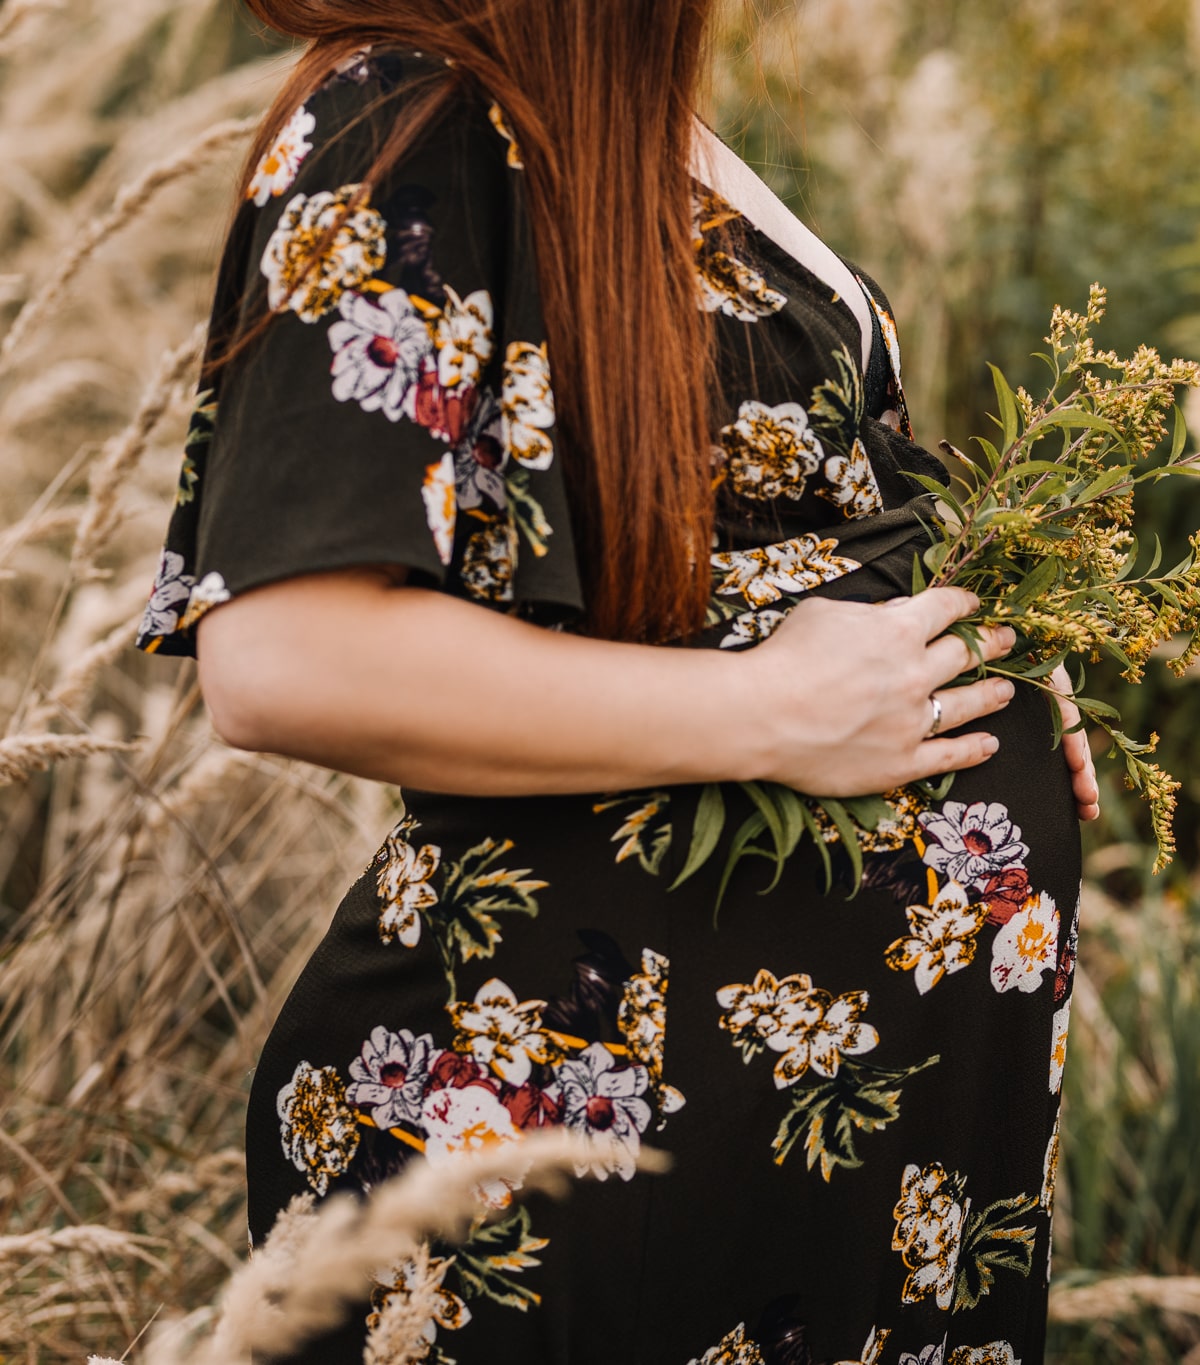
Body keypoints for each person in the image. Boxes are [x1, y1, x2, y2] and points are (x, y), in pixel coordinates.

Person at [135, 5, 1098, 1362]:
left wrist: (986, 664)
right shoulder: (398, 112)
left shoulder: (632, 119)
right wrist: (780, 711)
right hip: (572, 1141)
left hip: (824, 1165)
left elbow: (745, 555)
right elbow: (287, 652)